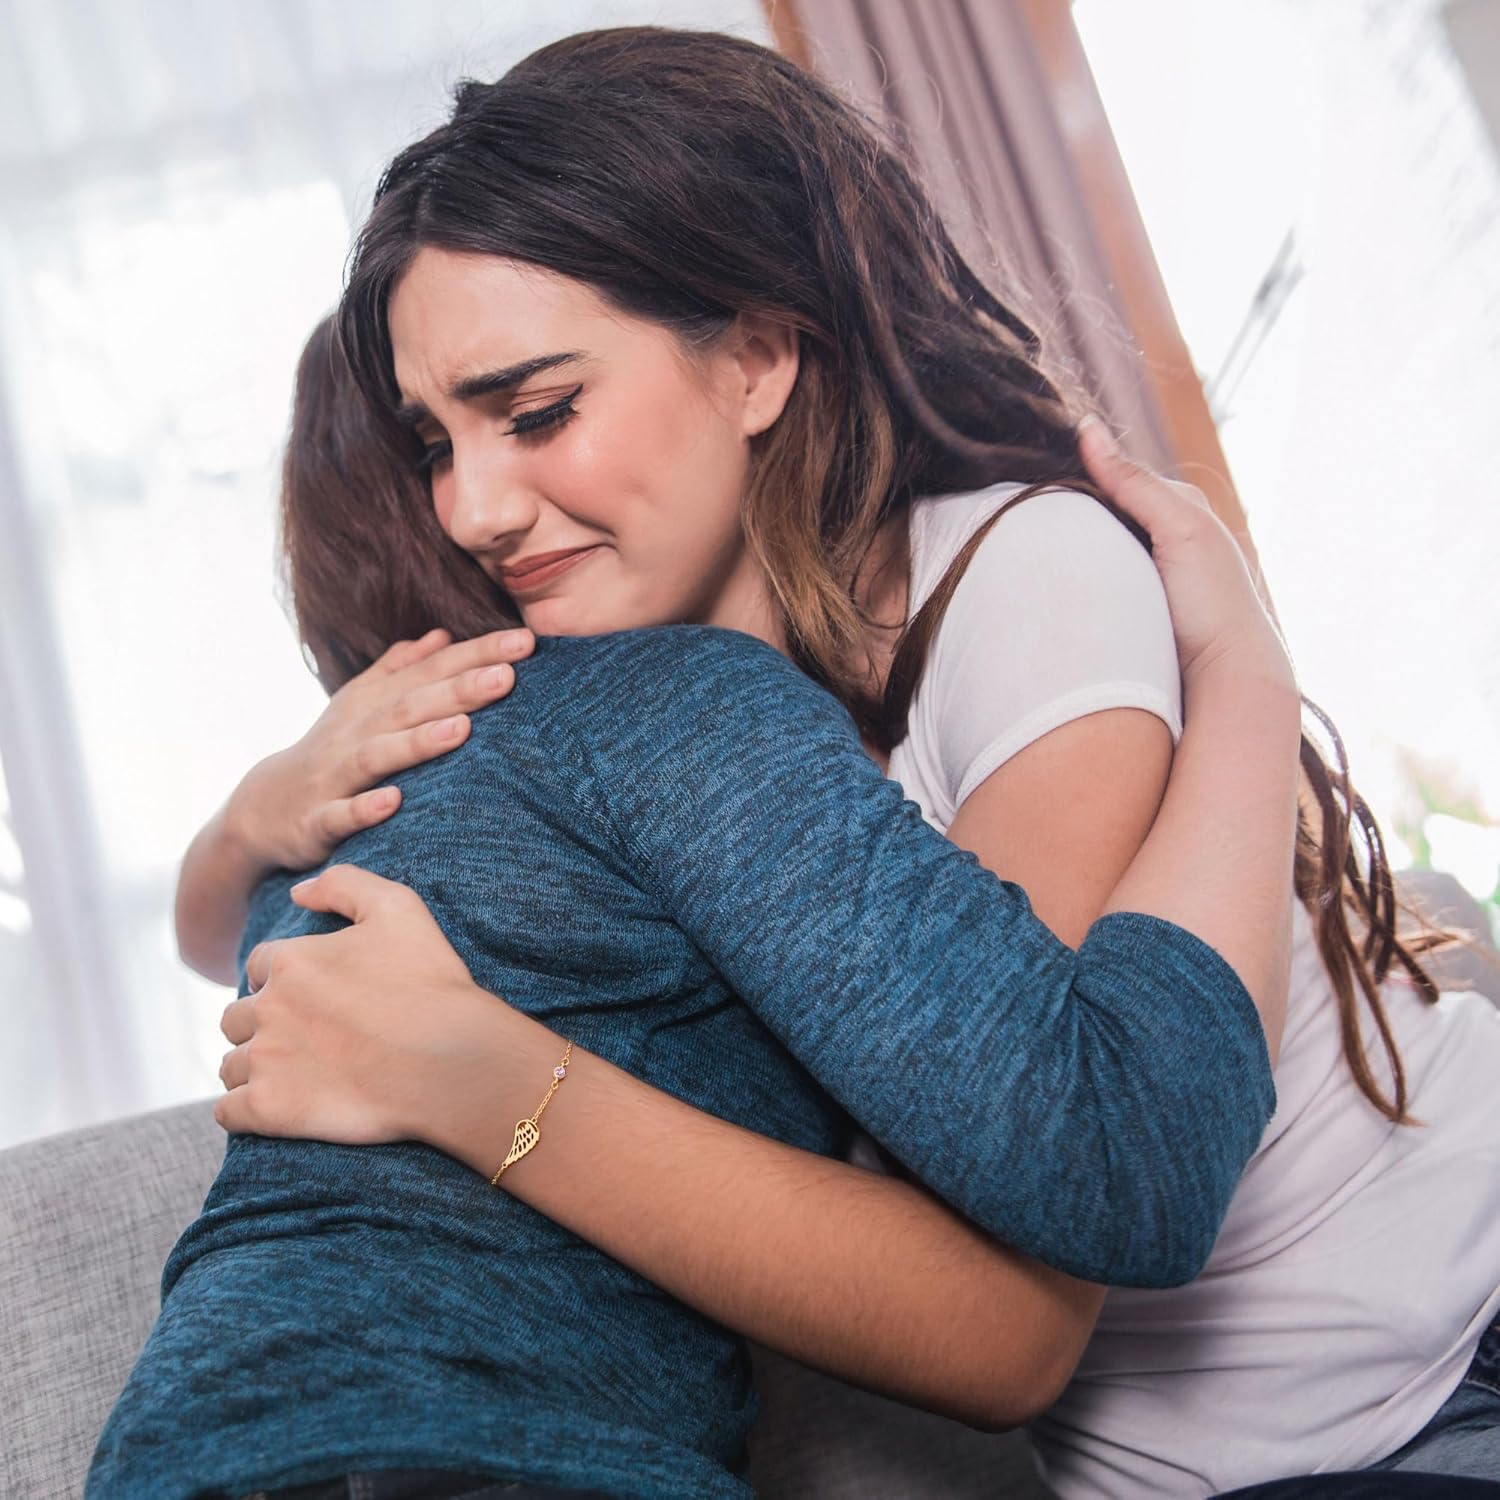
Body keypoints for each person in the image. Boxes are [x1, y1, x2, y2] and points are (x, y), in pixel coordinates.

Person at [172, 25, 1499, 1499]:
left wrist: (492, 1085)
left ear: (754, 358)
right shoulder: (661, 731)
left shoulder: (1016, 581)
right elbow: (244, 939)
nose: (475, 506)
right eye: (439, 442)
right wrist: (252, 814)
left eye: (537, 411)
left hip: (1445, 1369)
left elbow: (1042, 1268)